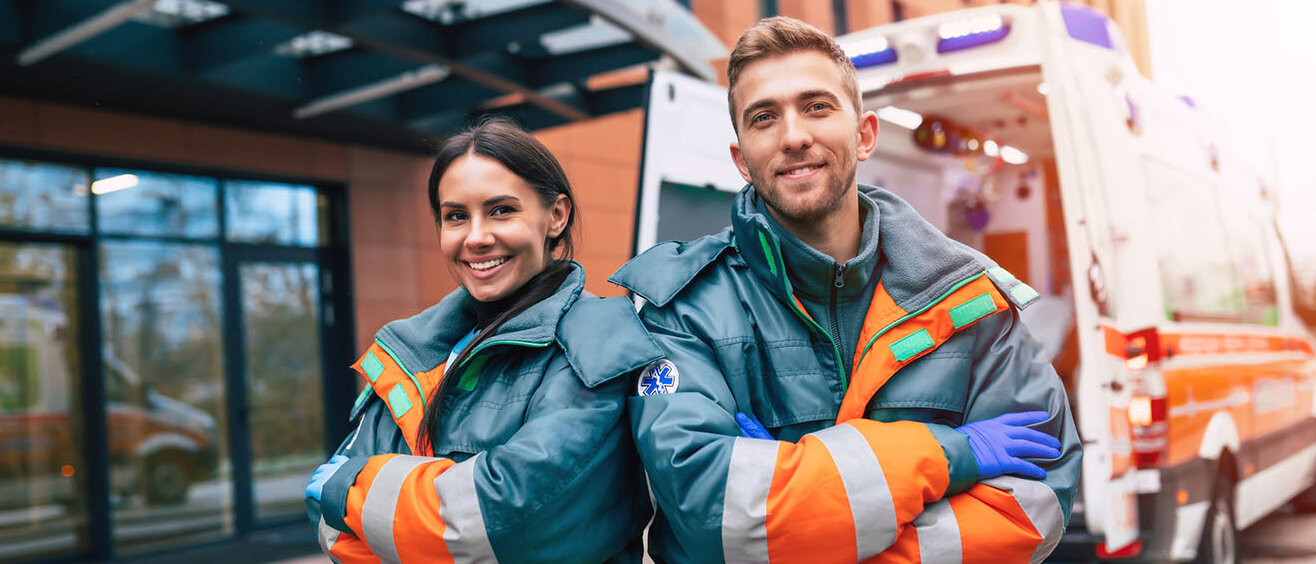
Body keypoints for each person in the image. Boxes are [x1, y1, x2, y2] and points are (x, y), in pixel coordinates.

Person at [610, 17, 1081, 563]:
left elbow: (1033, 504)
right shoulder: (680, 308)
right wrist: (946, 454)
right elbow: (709, 513)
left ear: (864, 135)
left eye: (817, 107)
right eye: (764, 118)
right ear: (741, 159)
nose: (793, 136)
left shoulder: (969, 301)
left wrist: (795, 501)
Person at [305, 118, 660, 563]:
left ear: (556, 215)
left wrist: (354, 488)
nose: (476, 237)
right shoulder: (410, 350)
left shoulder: (599, 341)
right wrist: (428, 519)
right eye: (456, 216)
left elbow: (514, 524)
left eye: (501, 210)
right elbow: (332, 532)